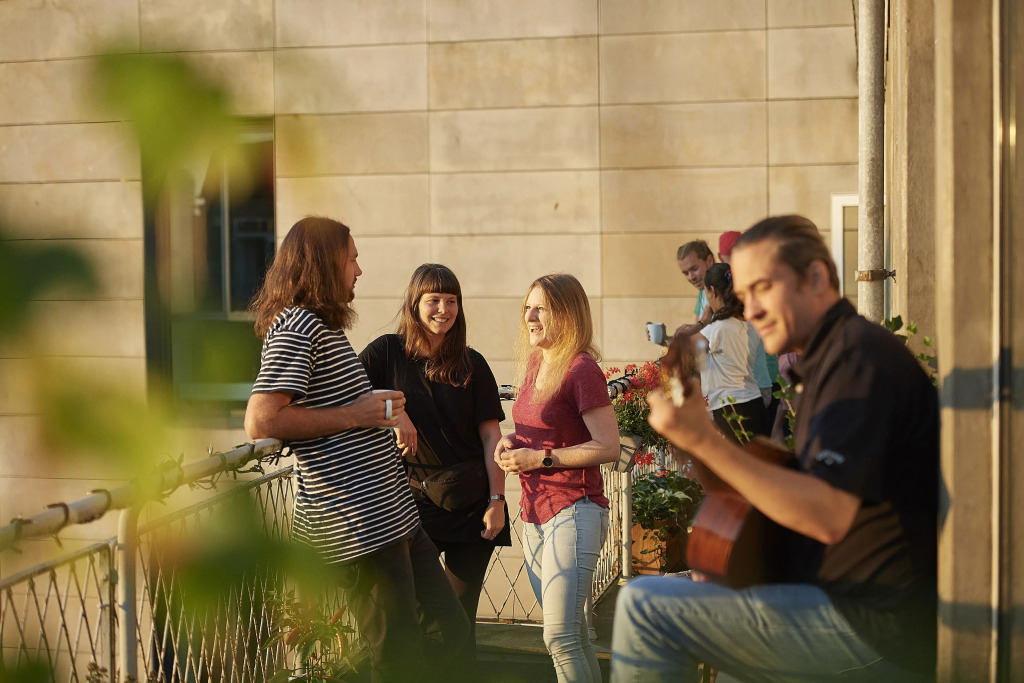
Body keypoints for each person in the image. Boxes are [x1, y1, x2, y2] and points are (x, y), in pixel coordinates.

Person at [611, 215, 938, 682]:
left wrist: (702, 439)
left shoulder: (857, 359)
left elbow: (827, 513)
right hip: (836, 601)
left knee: (646, 607)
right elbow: (774, 493)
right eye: (743, 296)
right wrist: (694, 442)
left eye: (763, 288)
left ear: (817, 277)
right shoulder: (824, 362)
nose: (751, 310)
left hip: (874, 624)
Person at [244, 217, 468, 683]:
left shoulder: (322, 327)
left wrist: (378, 408)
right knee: (398, 660)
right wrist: (356, 413)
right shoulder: (297, 327)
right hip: (361, 525)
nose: (359, 270)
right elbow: (261, 421)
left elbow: (334, 403)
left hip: (395, 516)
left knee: (451, 631)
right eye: (352, 259)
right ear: (325, 264)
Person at [358, 263, 509, 679]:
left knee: (459, 618)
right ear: (415, 303)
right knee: (419, 616)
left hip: (470, 505)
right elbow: (347, 393)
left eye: (451, 300)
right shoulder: (386, 352)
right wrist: (394, 411)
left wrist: (497, 501)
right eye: (434, 300)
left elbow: (491, 438)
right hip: (408, 506)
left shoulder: (472, 364)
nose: (444, 309)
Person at [495, 273, 620, 683]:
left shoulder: (581, 369)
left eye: (541, 309)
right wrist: (513, 442)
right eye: (527, 308)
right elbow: (543, 431)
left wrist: (540, 459)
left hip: (574, 510)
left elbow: (608, 446)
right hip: (534, 514)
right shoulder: (537, 361)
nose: (529, 317)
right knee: (574, 635)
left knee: (560, 636)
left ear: (566, 314)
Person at [696, 262, 770, 439]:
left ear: (712, 291)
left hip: (729, 407)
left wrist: (703, 322)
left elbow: (689, 350)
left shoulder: (716, 330)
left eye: (706, 293)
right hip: (754, 402)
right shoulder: (750, 326)